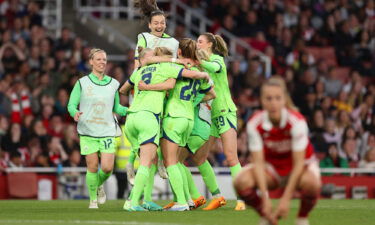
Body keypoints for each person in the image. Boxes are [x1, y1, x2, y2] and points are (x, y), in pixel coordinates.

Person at [119, 47, 209, 211]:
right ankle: (179, 201)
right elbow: (181, 81)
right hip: (159, 117)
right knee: (163, 162)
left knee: (151, 160)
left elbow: (123, 89)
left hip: (132, 117)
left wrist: (140, 91)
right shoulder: (168, 68)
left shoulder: (139, 70)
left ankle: (143, 198)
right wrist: (203, 74)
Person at [234, 77, 321, 225]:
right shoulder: (255, 123)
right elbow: (258, 163)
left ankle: (301, 218)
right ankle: (267, 217)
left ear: (284, 100)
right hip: (272, 169)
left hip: (300, 168)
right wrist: (265, 199)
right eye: (268, 98)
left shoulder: (297, 122)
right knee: (240, 181)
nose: (273, 102)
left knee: (312, 184)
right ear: (262, 100)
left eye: (277, 98)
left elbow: (299, 163)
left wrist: (285, 200)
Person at [67, 48, 128, 209]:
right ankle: (93, 200)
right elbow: (71, 104)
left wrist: (130, 110)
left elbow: (117, 108)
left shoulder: (113, 83)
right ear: (91, 62)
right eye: (99, 59)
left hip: (107, 130)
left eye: (104, 60)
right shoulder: (82, 83)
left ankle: (97, 184)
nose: (102, 62)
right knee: (92, 166)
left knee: (107, 168)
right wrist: (74, 112)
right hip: (87, 131)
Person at [196, 32, 245, 210]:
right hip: (208, 114)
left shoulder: (217, 59)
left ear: (209, 45)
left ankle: (241, 199)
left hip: (224, 111)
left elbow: (214, 69)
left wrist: (197, 62)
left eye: (200, 42)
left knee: (231, 156)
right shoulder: (200, 66)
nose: (197, 44)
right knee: (200, 157)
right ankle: (217, 196)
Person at [133, 0, 179, 69]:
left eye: (162, 23)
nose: (159, 26)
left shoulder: (174, 42)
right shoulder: (144, 38)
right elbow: (137, 64)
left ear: (165, 25)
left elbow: (175, 66)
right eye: (156, 23)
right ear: (149, 25)